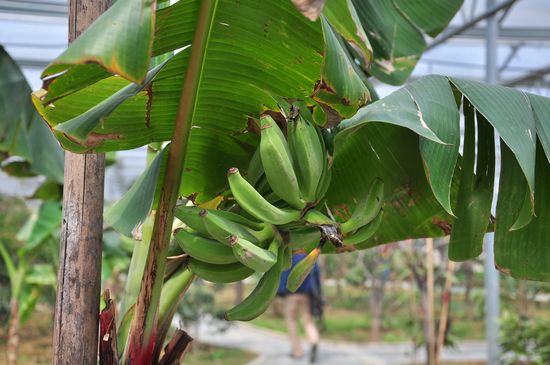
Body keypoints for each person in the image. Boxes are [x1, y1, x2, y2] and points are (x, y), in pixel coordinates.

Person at [277, 250, 322, 363]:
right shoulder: (310, 257)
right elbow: (316, 277)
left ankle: (297, 351)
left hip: (290, 295)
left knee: (291, 321)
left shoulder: (287, 258)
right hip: (305, 295)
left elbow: (281, 277)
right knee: (308, 321)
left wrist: (280, 292)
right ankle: (314, 341)